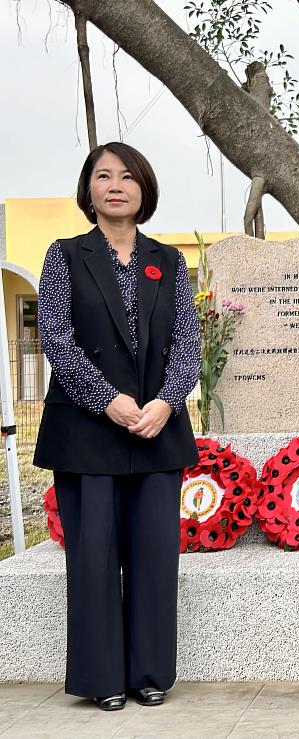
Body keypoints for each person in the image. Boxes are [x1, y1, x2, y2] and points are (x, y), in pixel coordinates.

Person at [34, 142, 200, 711]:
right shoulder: (65, 256)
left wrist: (165, 402)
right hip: (87, 434)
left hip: (157, 432)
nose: (115, 185)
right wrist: (109, 401)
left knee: (155, 558)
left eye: (127, 176)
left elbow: (188, 341)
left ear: (144, 189)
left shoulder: (168, 261)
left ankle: (149, 673)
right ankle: (101, 679)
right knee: (95, 559)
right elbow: (55, 337)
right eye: (103, 176)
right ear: (88, 190)